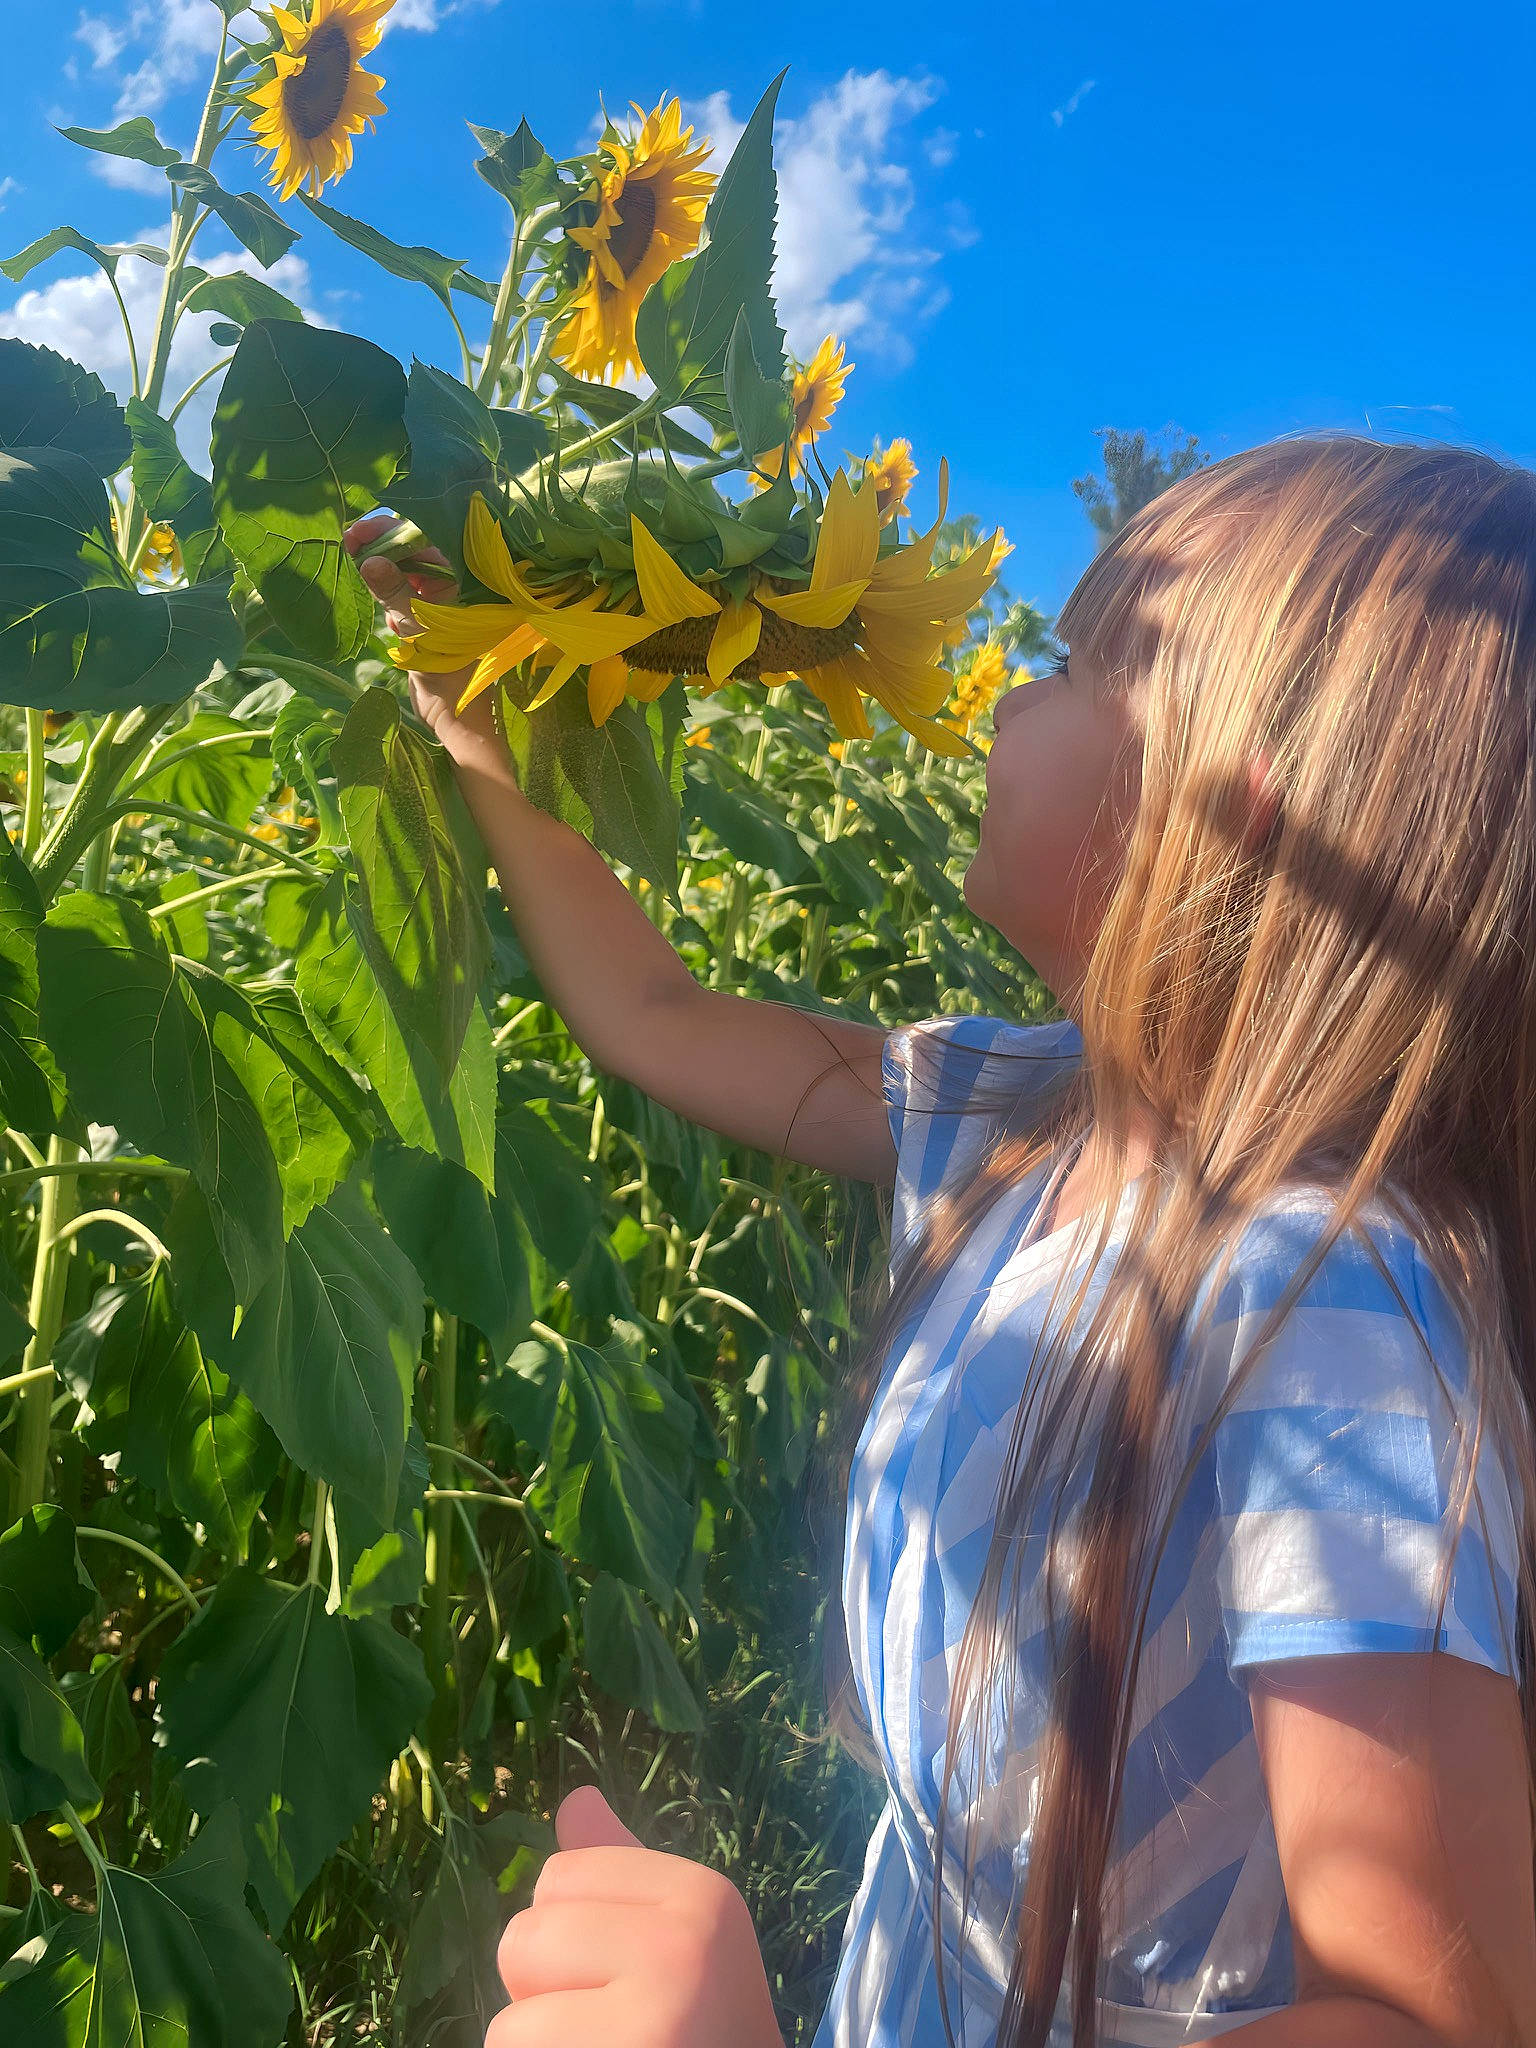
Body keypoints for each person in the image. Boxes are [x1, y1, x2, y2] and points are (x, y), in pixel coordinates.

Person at [344, 433, 1536, 2048]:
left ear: (1224, 810)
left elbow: (1426, 2020)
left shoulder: (1328, 1311)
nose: (1003, 700)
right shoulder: (1015, 1113)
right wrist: (473, 720)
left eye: (1071, 665)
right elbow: (657, 1013)